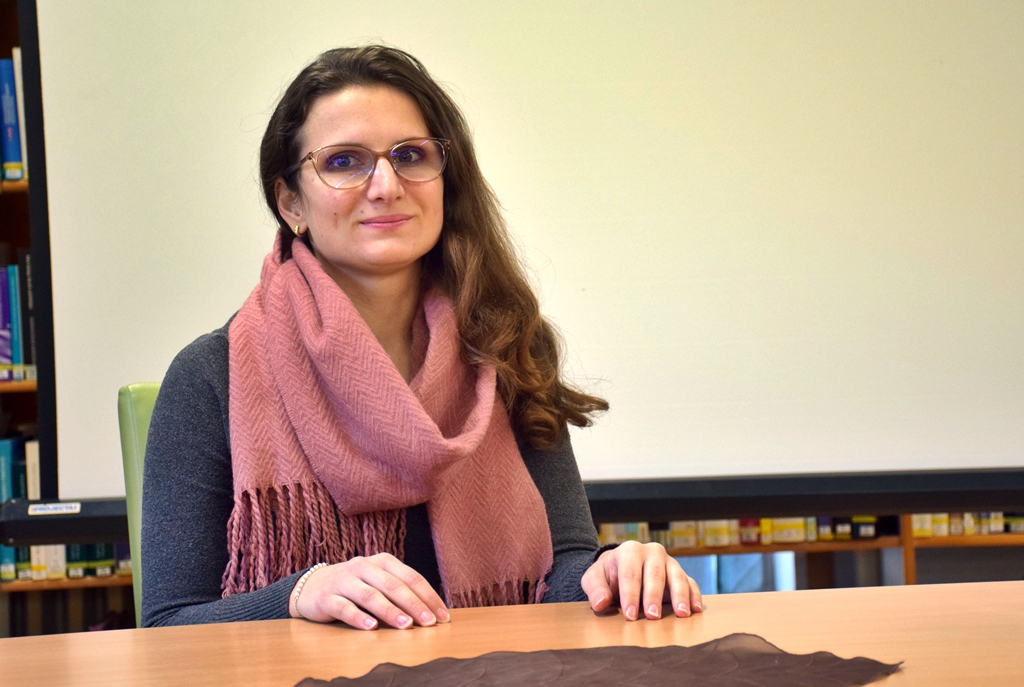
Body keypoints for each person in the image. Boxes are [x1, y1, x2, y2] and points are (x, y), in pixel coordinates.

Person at [141, 45, 701, 630]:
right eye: (343, 162)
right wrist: (299, 595)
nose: (385, 185)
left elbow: (561, 572)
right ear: (290, 202)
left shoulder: (505, 345)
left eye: (410, 155)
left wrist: (611, 571)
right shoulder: (211, 375)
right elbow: (167, 624)